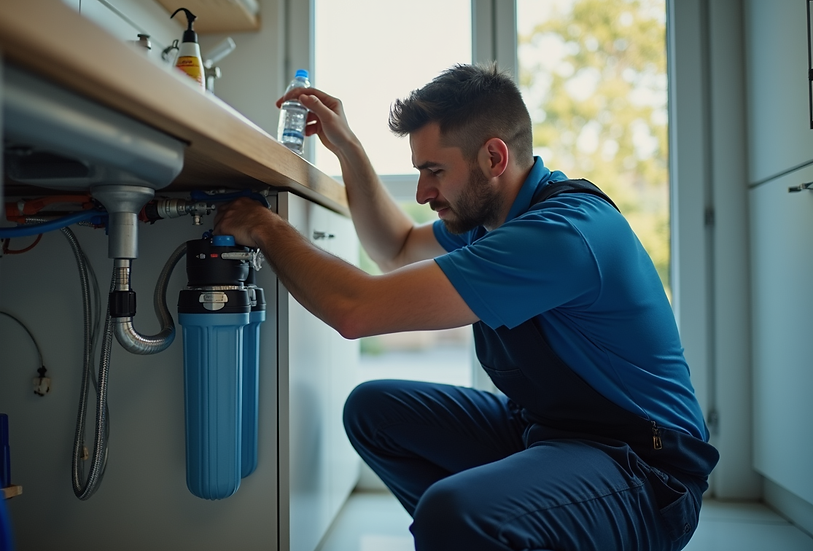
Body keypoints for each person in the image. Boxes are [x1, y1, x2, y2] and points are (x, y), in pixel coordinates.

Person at [213, 62, 718, 551]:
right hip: (546, 433)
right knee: (374, 413)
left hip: (645, 472)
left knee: (455, 512)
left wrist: (264, 226)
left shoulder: (560, 234)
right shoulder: (494, 222)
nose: (422, 191)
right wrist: (348, 148)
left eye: (434, 170)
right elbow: (396, 248)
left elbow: (355, 310)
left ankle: (468, 531)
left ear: (494, 159)